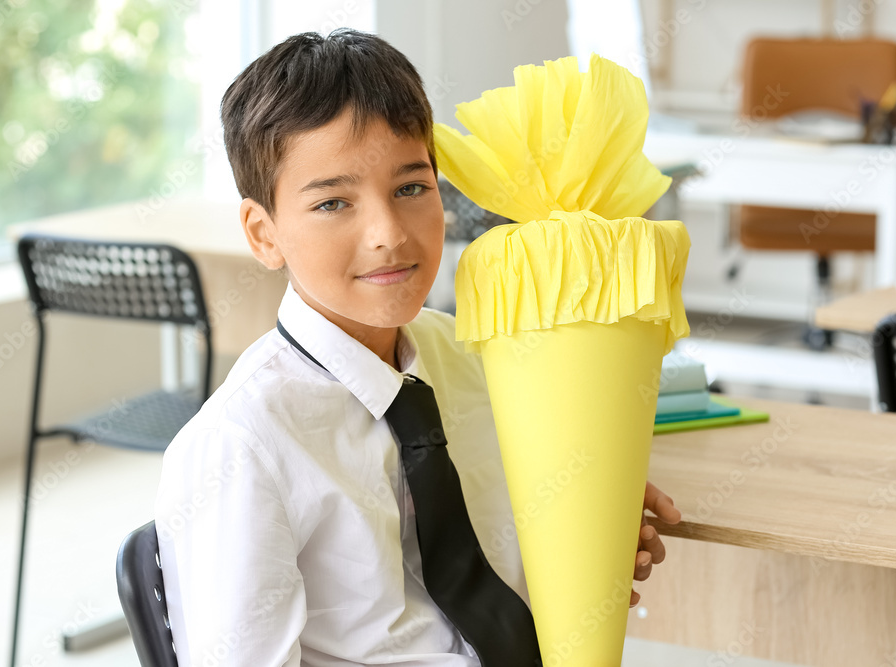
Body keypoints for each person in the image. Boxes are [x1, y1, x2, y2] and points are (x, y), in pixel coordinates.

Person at [155, 28, 682, 666]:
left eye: (411, 188)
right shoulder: (240, 447)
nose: (387, 234)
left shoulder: (473, 358)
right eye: (332, 203)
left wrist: (588, 519)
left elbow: (503, 552)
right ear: (263, 234)